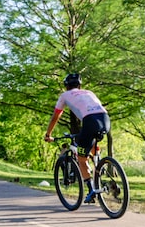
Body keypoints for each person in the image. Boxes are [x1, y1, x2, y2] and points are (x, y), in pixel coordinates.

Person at [44, 73, 111, 203]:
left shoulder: (64, 96)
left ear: (66, 86)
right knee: (91, 144)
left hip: (89, 121)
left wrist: (48, 134)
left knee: (81, 159)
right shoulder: (89, 92)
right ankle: (99, 164)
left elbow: (56, 116)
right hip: (105, 119)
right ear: (79, 85)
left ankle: (92, 190)